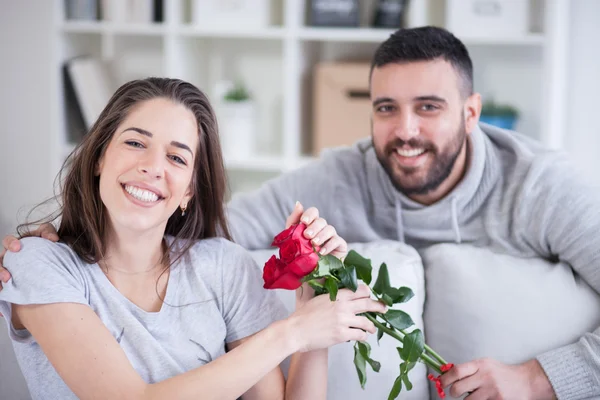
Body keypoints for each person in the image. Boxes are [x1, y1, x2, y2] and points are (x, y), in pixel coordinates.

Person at [2, 25, 599, 399]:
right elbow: (207, 224)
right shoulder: (341, 176)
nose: (405, 130)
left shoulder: (543, 187)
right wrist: (56, 238)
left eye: (429, 107)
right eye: (386, 107)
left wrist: (536, 379)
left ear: (472, 114)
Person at [0, 77, 387, 400]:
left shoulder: (223, 266)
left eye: (177, 158)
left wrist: (315, 300)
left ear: (188, 191)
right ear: (99, 156)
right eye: (135, 142)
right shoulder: (39, 263)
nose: (152, 167)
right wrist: (294, 332)